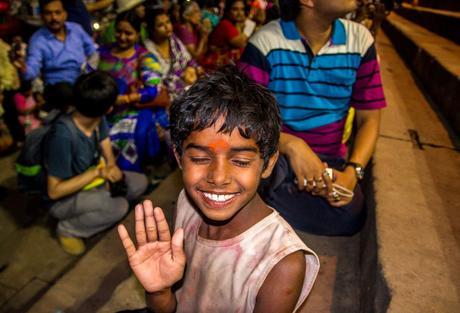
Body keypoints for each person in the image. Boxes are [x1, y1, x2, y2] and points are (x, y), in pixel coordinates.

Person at [117, 66, 320, 312]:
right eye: (200, 159)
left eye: (241, 161)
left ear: (267, 164)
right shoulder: (188, 201)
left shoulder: (281, 264)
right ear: (180, 159)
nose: (218, 177)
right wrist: (159, 290)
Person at [239, 0, 386, 235]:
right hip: (275, 151)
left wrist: (352, 172)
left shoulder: (360, 40)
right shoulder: (265, 42)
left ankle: (263, 205)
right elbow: (243, 119)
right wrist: (292, 145)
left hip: (330, 158)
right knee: (258, 172)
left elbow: (369, 118)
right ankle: (264, 198)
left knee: (350, 216)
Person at [45, 71, 148, 255]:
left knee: (140, 183)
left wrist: (111, 168)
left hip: (92, 182)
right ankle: (67, 229)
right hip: (64, 199)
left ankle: (100, 202)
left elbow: (105, 142)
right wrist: (99, 173)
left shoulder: (94, 117)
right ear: (109, 109)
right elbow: (54, 191)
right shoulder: (62, 136)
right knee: (119, 207)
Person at [95, 9, 166, 172]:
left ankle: (130, 176)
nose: (122, 37)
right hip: (103, 109)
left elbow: (153, 89)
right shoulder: (102, 53)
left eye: (129, 33)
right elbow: (87, 76)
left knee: (129, 136)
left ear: (137, 34)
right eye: (119, 31)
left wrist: (125, 99)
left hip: (131, 109)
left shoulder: (144, 57)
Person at [11, 0, 96, 87]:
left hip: (83, 81)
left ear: (65, 14)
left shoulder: (76, 29)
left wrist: (90, 70)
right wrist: (24, 69)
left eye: (57, 12)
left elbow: (93, 52)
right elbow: (32, 68)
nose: (54, 17)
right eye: (48, 13)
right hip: (57, 87)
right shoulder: (37, 39)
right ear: (42, 16)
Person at [143, 8, 199, 102]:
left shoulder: (173, 40)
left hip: (186, 85)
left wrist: (194, 68)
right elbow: (157, 83)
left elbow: (188, 59)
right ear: (151, 30)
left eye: (168, 22)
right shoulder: (147, 49)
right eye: (160, 25)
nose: (167, 27)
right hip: (167, 95)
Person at [201, 0, 253, 70]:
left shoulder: (235, 24)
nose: (240, 13)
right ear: (228, 11)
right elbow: (240, 43)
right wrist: (249, 28)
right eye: (235, 9)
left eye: (242, 9)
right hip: (214, 68)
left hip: (225, 67)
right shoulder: (225, 24)